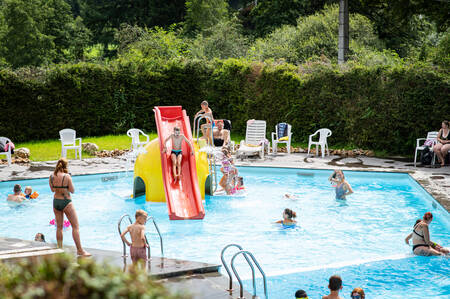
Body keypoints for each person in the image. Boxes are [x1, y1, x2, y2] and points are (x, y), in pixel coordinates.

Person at [49, 158, 90, 257]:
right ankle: (80, 250)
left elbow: (52, 190)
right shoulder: (67, 176)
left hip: (56, 202)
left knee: (59, 228)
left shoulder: (51, 176)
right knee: (75, 227)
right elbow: (72, 190)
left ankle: (59, 248)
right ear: (65, 166)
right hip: (66, 202)